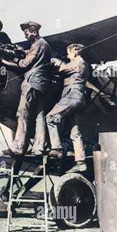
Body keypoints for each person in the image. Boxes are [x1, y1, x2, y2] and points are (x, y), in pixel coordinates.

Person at [2, 21, 53, 156]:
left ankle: (18, 146)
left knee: (23, 113)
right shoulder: (45, 45)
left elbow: (25, 63)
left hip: (32, 82)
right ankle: (39, 147)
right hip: (42, 85)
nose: (25, 36)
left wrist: (8, 60)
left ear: (34, 32)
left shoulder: (37, 44)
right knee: (39, 115)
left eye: (26, 33)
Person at [47, 44, 89, 173]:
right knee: (75, 132)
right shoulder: (83, 64)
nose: (68, 56)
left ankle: (57, 148)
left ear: (75, 53)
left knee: (50, 117)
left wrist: (54, 60)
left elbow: (61, 70)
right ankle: (81, 162)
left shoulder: (78, 63)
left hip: (72, 96)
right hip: (78, 98)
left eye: (69, 53)